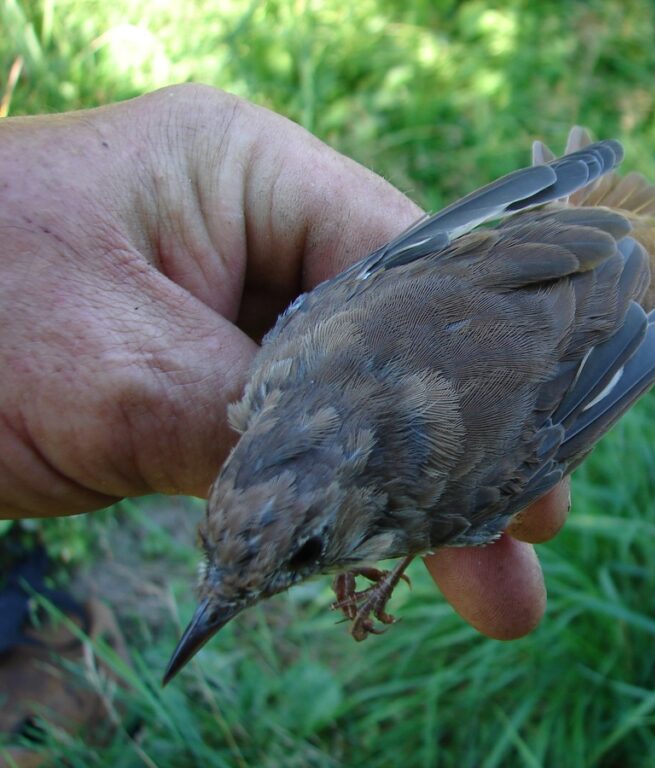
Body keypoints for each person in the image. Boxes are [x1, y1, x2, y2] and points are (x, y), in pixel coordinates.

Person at [0, 83, 569, 640]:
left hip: (542, 318)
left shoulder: (411, 493)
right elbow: (402, 261)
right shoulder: (283, 368)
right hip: (511, 287)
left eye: (305, 553)